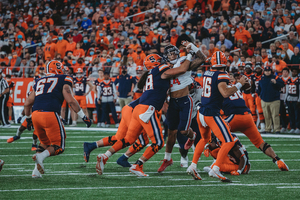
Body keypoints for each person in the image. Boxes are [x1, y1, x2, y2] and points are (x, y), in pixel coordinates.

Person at [95, 50, 200, 177]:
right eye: (160, 60)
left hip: (138, 109)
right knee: (159, 142)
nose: (163, 61)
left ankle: (105, 156)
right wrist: (189, 55)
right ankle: (138, 165)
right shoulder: (161, 70)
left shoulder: (151, 73)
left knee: (129, 139)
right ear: (157, 63)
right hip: (147, 110)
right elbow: (182, 69)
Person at [185, 43, 247, 182]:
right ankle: (216, 168)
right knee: (229, 141)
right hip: (211, 113)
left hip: (201, 112)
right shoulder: (221, 74)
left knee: (204, 139)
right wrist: (239, 84)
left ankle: (193, 166)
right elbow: (225, 93)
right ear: (225, 62)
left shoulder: (208, 72)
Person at [24, 60, 92, 178]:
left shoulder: (38, 80)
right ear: (57, 68)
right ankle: (41, 156)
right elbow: (70, 100)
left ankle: (36, 171)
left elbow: (27, 103)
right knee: (59, 146)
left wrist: (29, 119)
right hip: (50, 114)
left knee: (44, 143)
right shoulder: (64, 78)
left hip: (35, 114)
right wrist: (84, 116)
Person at [222, 74, 289, 171]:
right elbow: (248, 89)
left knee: (216, 134)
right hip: (247, 117)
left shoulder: (222, 89)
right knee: (260, 143)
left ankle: (222, 162)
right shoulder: (236, 86)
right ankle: (278, 160)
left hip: (233, 117)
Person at [158, 45, 198, 173]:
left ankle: (192, 137)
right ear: (166, 56)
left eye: (174, 53)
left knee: (183, 130)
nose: (173, 55)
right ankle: (167, 159)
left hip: (185, 100)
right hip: (173, 102)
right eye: (170, 54)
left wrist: (192, 52)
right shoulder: (165, 68)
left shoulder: (182, 62)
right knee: (171, 133)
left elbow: (184, 68)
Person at [257, 66, 284, 134]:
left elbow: (282, 84)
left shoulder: (276, 77)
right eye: (266, 71)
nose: (267, 72)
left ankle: (277, 129)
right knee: (266, 115)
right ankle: (268, 129)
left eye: (268, 71)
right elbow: (259, 89)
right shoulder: (262, 78)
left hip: (274, 100)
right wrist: (260, 95)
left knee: (275, 115)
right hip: (264, 99)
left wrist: (276, 83)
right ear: (264, 71)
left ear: (270, 71)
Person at [251, 63, 265, 131]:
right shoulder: (253, 77)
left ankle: (265, 125)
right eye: (256, 68)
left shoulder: (264, 76)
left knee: (264, 111)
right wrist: (252, 92)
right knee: (259, 110)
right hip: (257, 95)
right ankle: (261, 126)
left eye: (259, 68)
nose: (257, 70)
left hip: (264, 94)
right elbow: (252, 86)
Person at [285, 67, 300, 134]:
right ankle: (292, 127)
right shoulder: (289, 79)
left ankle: (298, 127)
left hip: (296, 98)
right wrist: (285, 99)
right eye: (293, 71)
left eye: (295, 72)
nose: (294, 73)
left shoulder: (298, 80)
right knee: (291, 114)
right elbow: (287, 90)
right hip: (289, 98)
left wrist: (299, 100)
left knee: (297, 114)